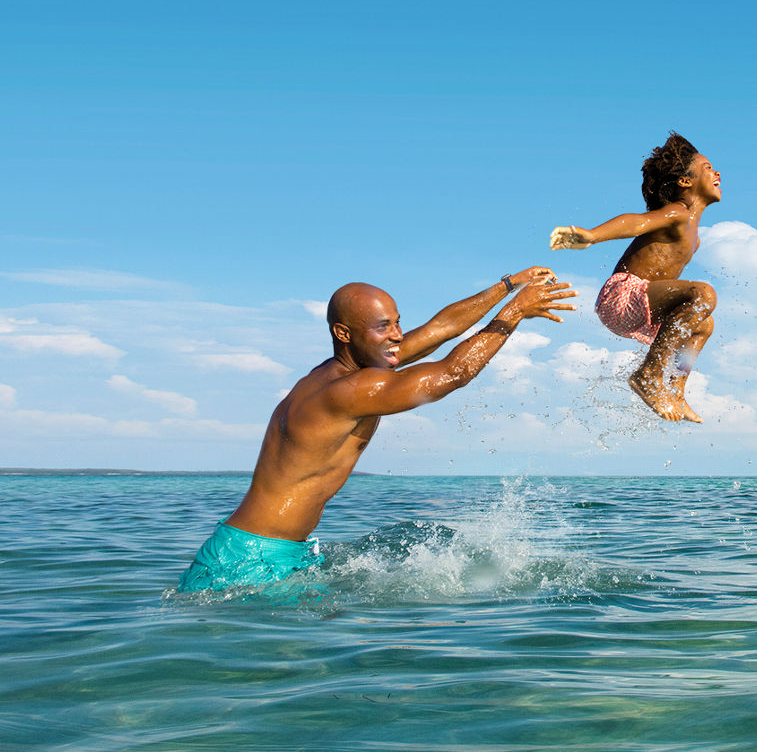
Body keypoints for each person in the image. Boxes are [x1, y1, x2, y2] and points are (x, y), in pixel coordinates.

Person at [177, 267, 576, 592]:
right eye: (384, 327)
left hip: (264, 550)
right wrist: (514, 312)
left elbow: (441, 329)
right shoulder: (349, 390)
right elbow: (453, 373)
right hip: (251, 560)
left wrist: (507, 286)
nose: (398, 336)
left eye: (398, 323)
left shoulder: (341, 372)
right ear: (344, 334)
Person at [550, 132, 720, 423]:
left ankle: (674, 391)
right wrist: (592, 235)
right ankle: (650, 373)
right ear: (685, 181)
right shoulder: (677, 212)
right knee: (704, 294)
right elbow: (638, 222)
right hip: (622, 295)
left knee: (705, 324)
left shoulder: (696, 238)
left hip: (641, 306)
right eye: (707, 167)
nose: (717, 172)